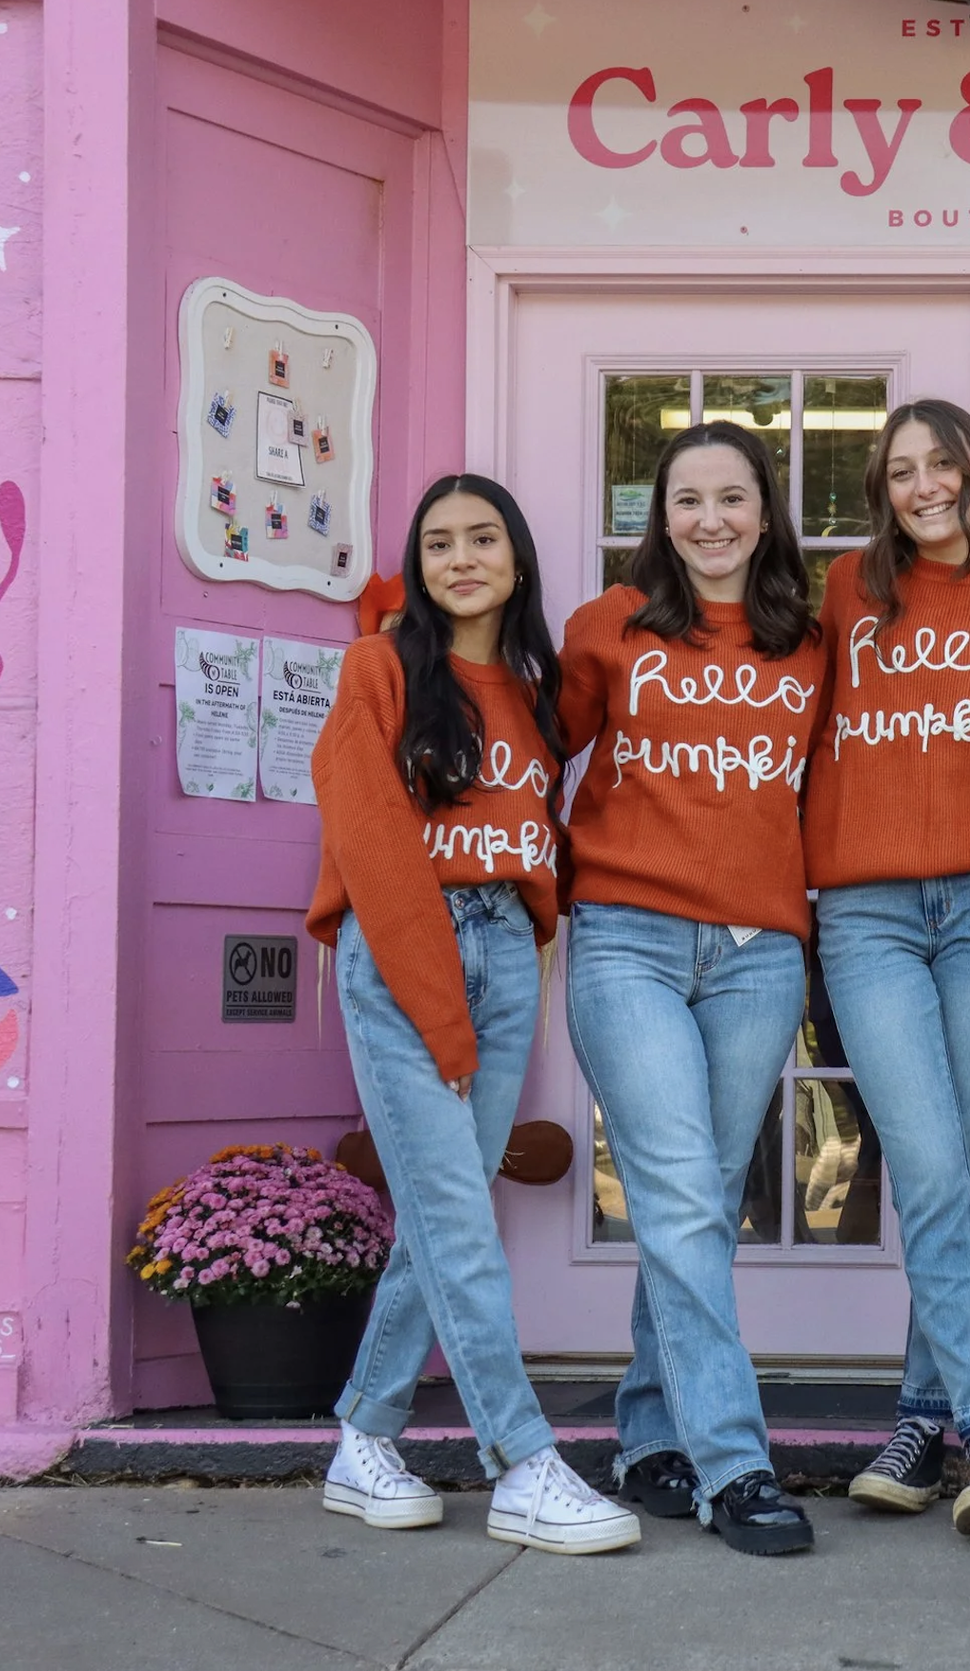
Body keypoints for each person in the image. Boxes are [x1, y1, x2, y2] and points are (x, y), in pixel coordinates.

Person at [308, 475, 638, 1555]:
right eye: (439, 542)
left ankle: (364, 1433)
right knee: (455, 1218)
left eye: (482, 539)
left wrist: (529, 938)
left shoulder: (534, 690)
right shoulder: (379, 670)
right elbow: (372, 843)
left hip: (504, 951)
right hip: (411, 952)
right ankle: (522, 1460)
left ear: (516, 558)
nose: (461, 558)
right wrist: (439, 1008)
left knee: (445, 1221)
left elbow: (538, 833)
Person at [805, 400, 970, 1537]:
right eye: (900, 471)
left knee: (965, 1162)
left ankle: (920, 1421)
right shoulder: (845, 595)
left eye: (940, 466)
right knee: (922, 1157)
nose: (921, 487)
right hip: (865, 910)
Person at [558, 422, 826, 1556]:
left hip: (759, 951)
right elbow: (520, 755)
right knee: (679, 1195)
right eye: (686, 501)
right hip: (629, 942)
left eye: (732, 498)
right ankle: (734, 1463)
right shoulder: (606, 629)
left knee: (698, 1202)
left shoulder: (811, 643)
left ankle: (647, 1431)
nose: (710, 520)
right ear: (657, 518)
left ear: (767, 515)